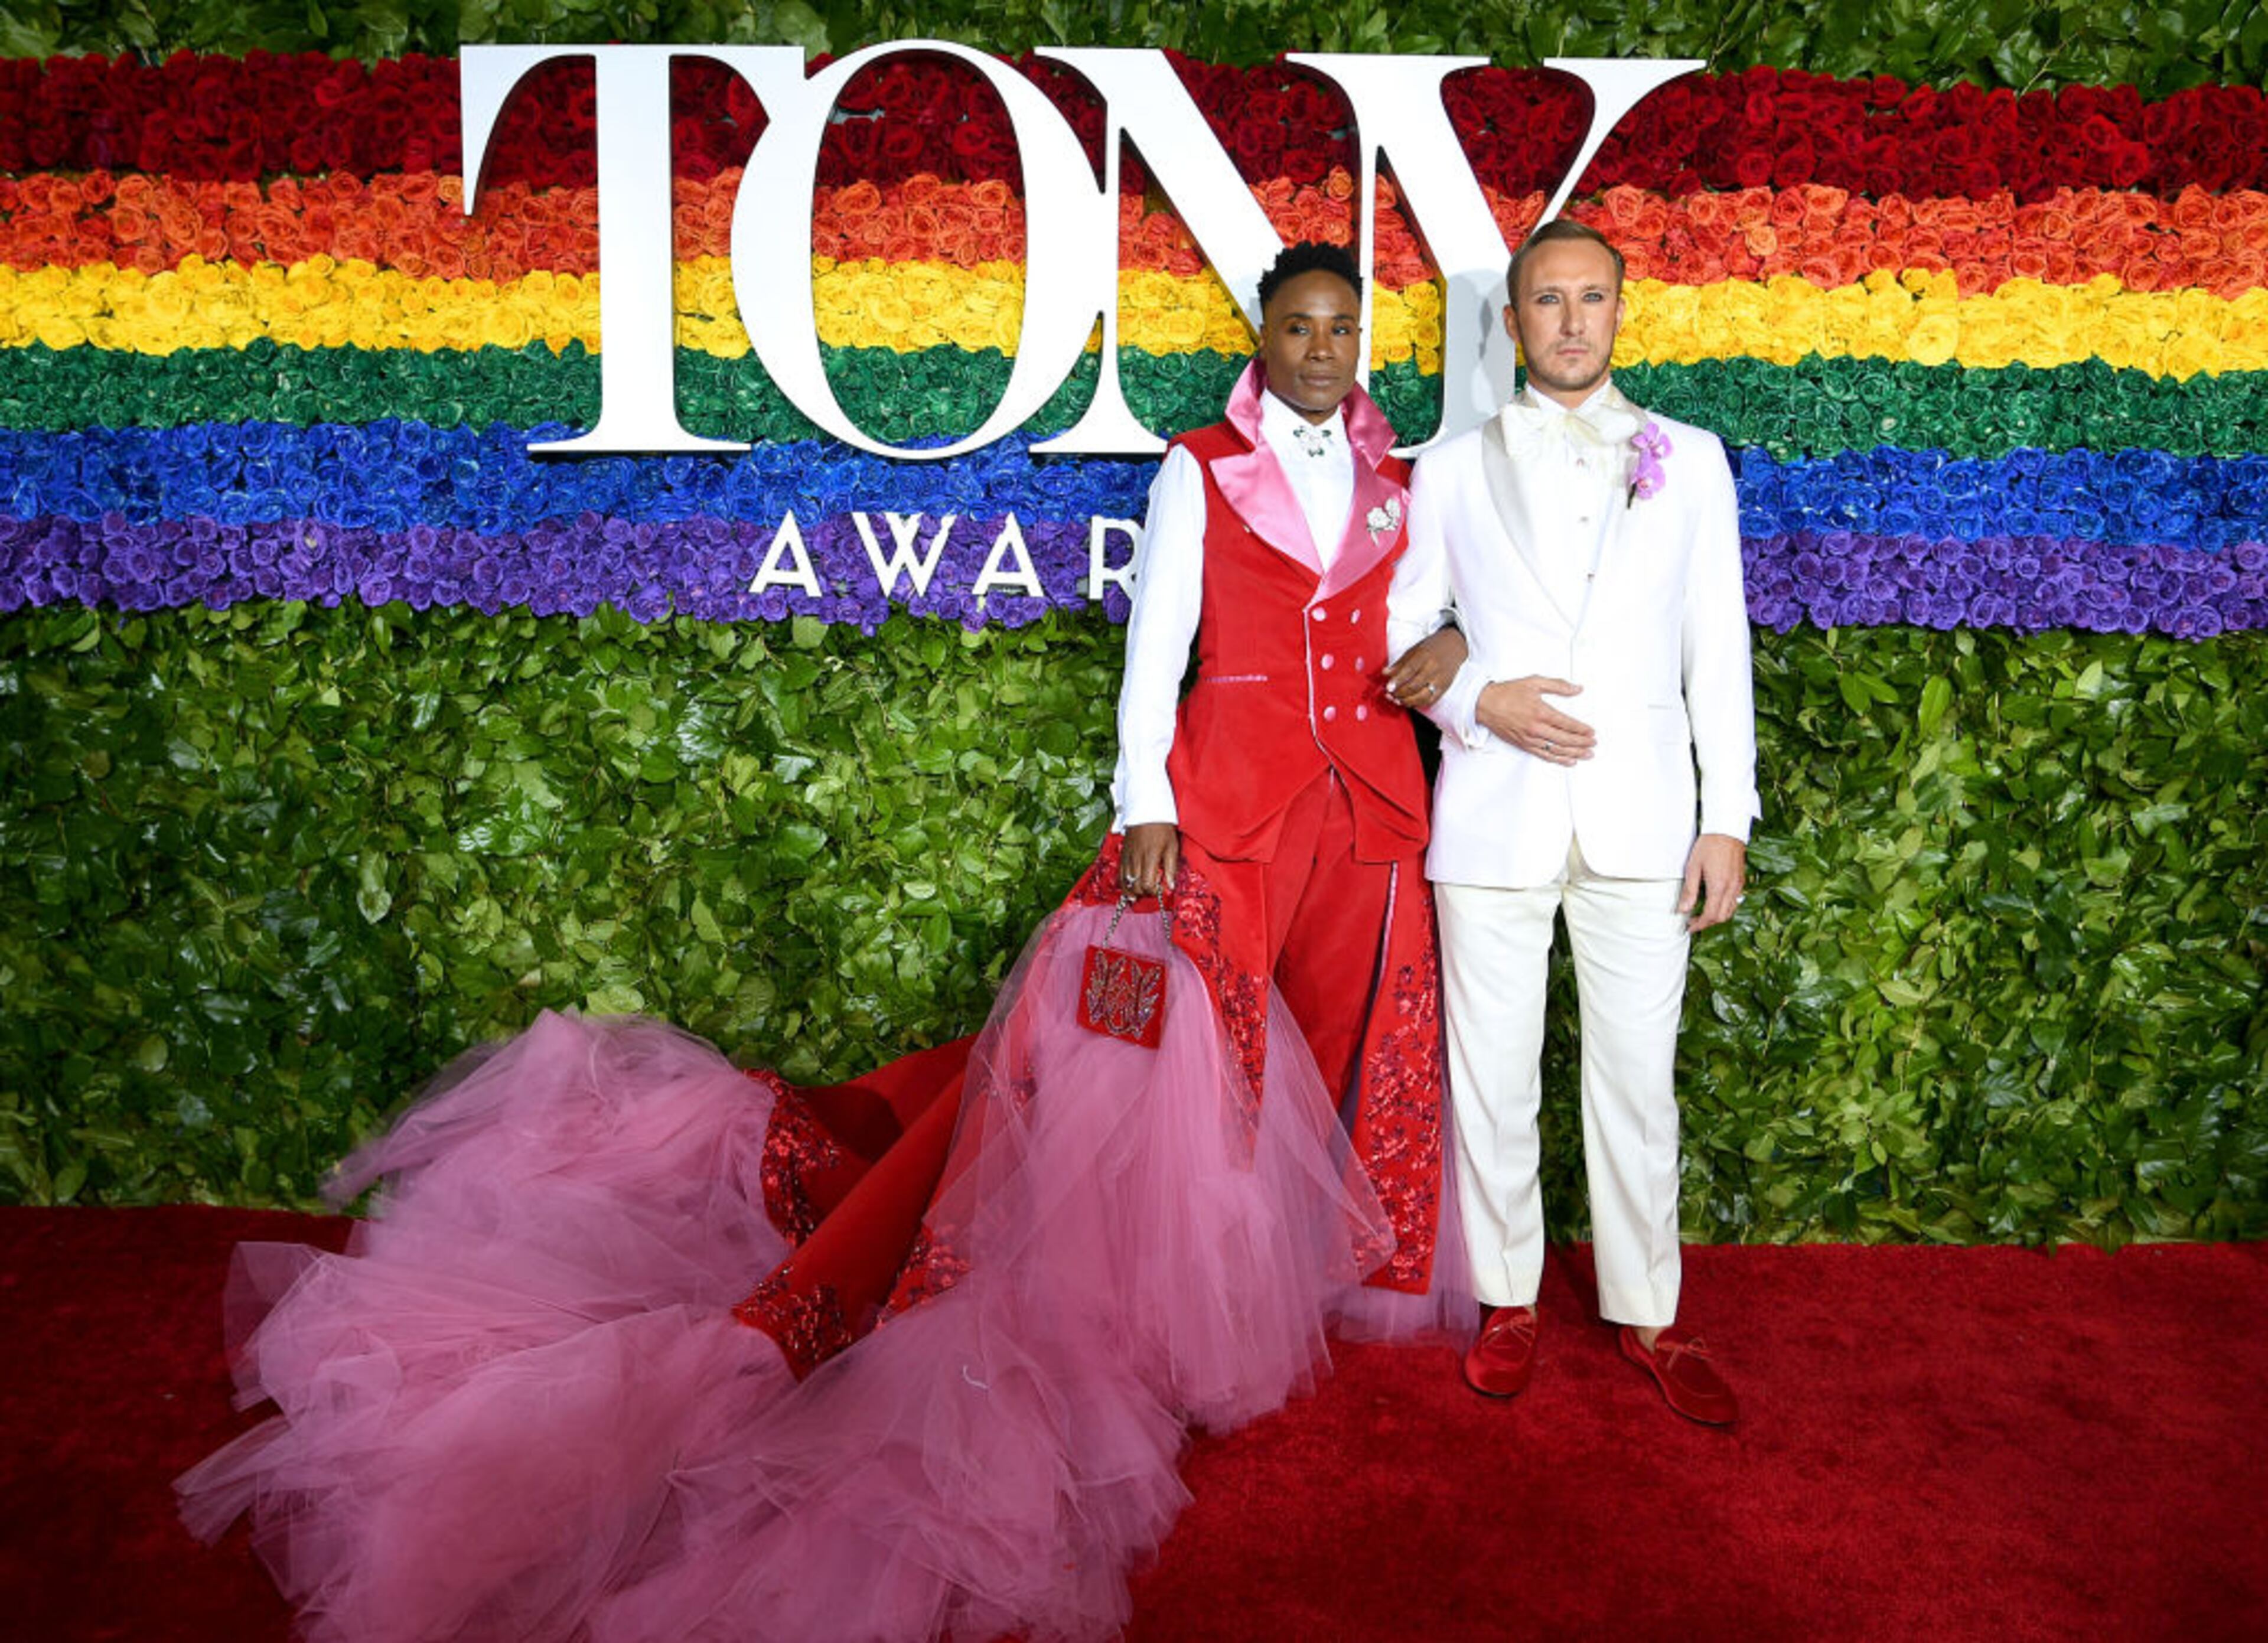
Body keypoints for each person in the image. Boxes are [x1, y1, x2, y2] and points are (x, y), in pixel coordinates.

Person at [175, 242, 1467, 1643]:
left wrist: (1452, 641)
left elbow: (1419, 619)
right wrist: (1143, 804)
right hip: (1221, 797)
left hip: (1370, 808)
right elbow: (1157, 651)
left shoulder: (1407, 477)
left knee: (1346, 1046)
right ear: (1263, 337)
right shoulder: (1197, 465)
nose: (1324, 348)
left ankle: (1317, 1283)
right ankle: (1176, 1324)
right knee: (1184, 1080)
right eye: (1299, 325)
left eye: (1345, 328)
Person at [1385, 219, 1759, 1425]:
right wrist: (1479, 702)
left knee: (1639, 1082)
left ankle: (1650, 1310)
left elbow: (1721, 649)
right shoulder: (1446, 466)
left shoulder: (1688, 460)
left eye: (1591, 297)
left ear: (1620, 308)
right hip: (1492, 818)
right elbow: (1400, 639)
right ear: (1513, 320)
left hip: (1647, 819)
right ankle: (1508, 1297)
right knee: (1492, 1077)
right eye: (1547, 300)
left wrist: (1728, 817)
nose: (1570, 320)